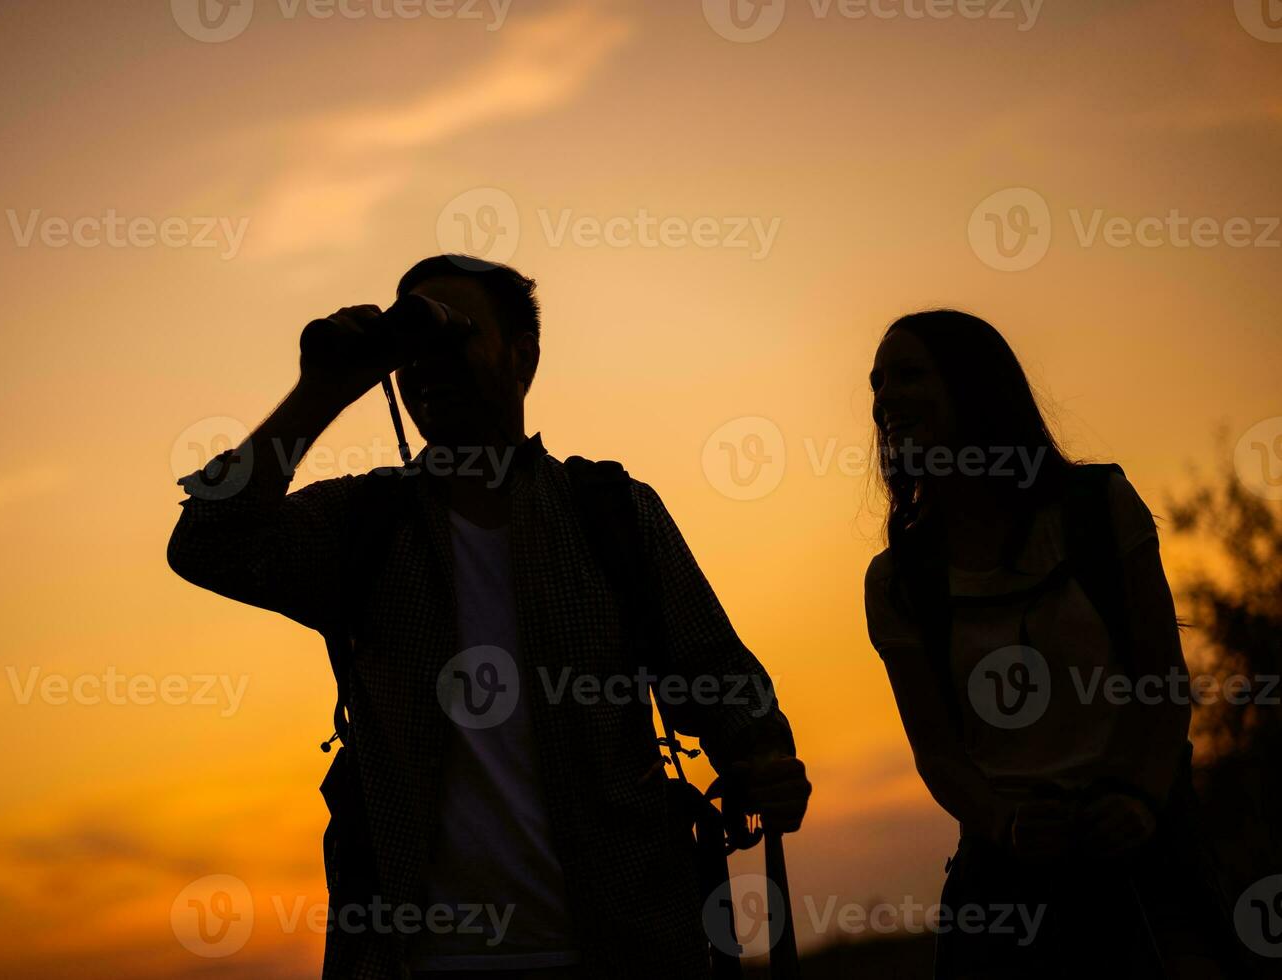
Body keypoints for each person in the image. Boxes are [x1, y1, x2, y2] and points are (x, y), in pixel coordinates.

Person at [167, 254, 811, 979]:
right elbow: (206, 544)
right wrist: (323, 391)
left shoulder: (609, 512)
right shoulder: (363, 524)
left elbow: (718, 677)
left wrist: (763, 756)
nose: (430, 364)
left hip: (622, 948)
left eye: (457, 335)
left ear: (523, 357)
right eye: (414, 347)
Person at [862, 310, 1242, 978]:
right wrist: (1005, 823)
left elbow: (1163, 682)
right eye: (877, 384)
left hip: (1143, 858)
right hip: (1005, 888)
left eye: (909, 374)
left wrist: (1137, 799)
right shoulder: (898, 581)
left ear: (975, 386)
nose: (884, 398)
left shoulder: (1098, 509)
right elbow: (940, 757)